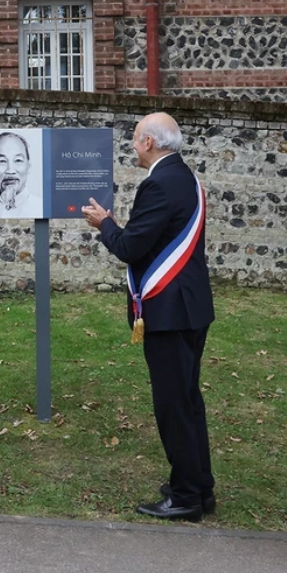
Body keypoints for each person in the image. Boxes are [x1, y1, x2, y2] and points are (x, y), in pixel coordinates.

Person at [82, 111, 216, 521]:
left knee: (174, 405)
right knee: (189, 400)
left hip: (169, 311)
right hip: (191, 307)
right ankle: (198, 484)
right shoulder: (185, 177)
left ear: (151, 143)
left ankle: (187, 496)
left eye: (137, 138)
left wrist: (105, 224)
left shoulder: (158, 184)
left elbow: (130, 246)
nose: (133, 145)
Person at [0, 131, 43, 218]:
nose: (10, 170)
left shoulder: (41, 209)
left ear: (29, 166)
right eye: (2, 161)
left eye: (18, 160)